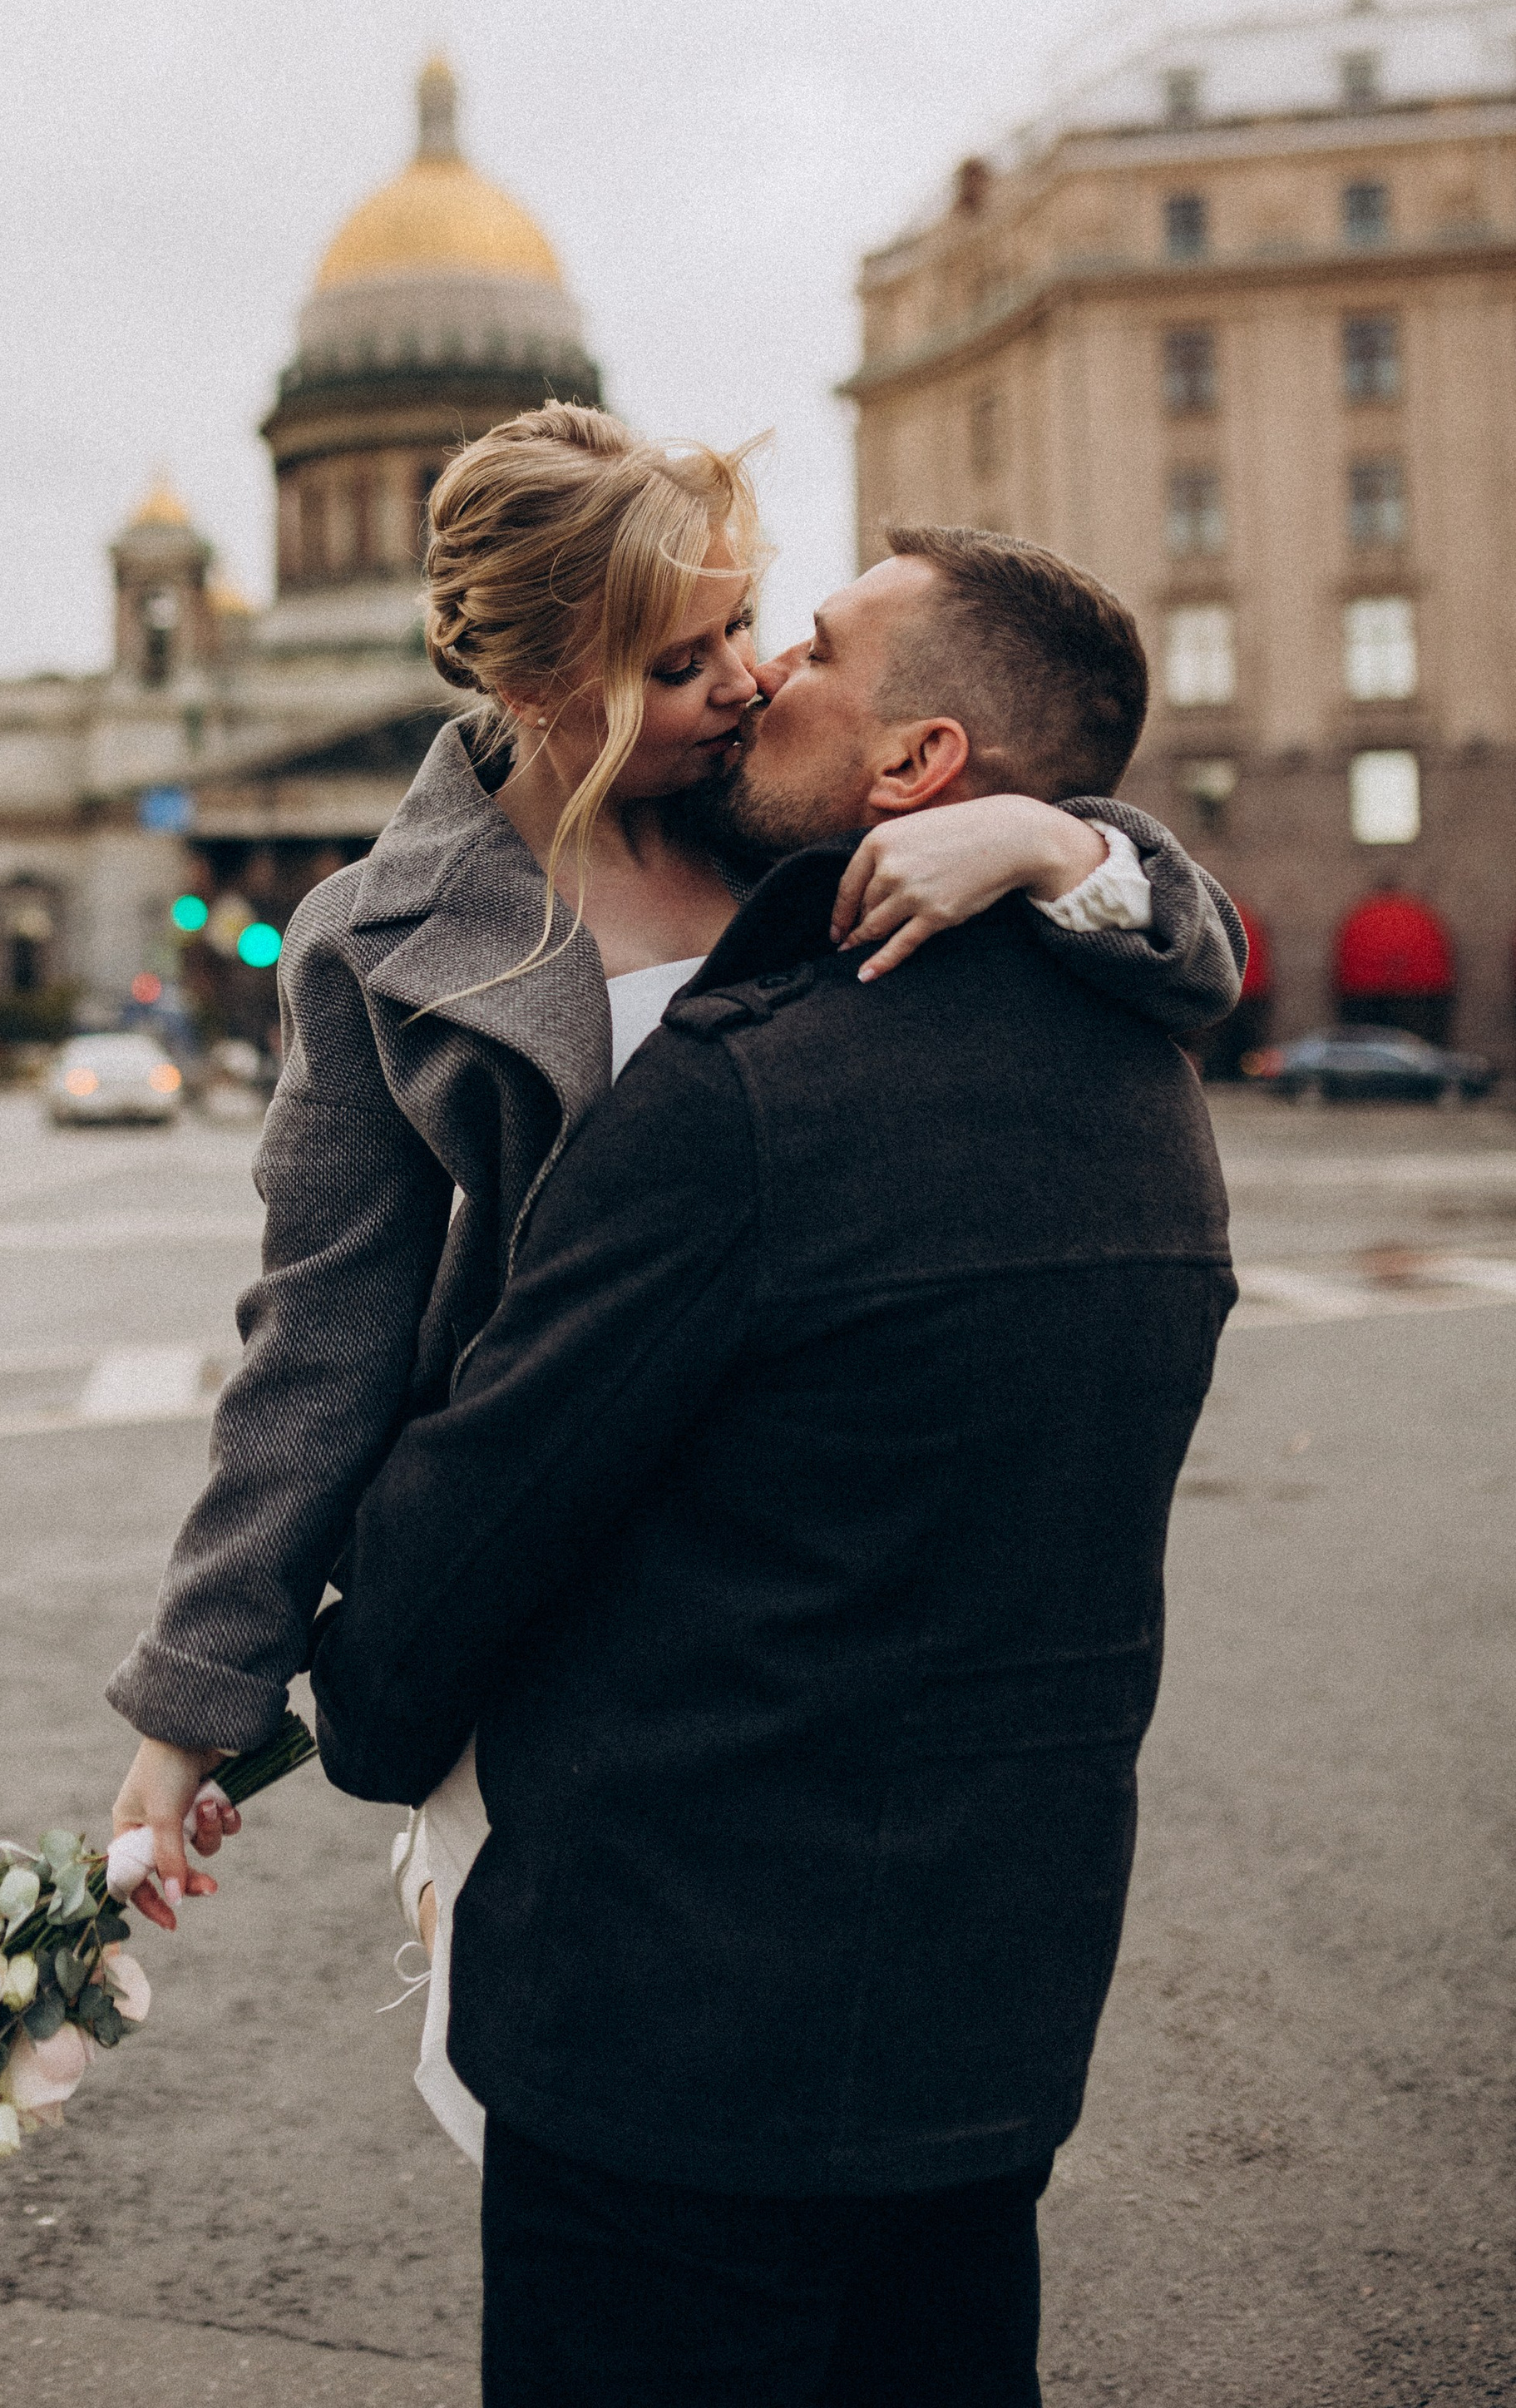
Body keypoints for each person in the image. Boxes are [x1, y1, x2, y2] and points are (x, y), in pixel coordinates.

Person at [104, 412, 1242, 2156]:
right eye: (681, 655)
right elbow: (318, 1333)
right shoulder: (368, 937)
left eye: (746, 627)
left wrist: (1040, 847)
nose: (745, 679)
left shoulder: (789, 818)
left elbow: (1186, 941)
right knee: (600, 2093)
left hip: (823, 1556)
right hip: (563, 1565)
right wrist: (191, 1711)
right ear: (544, 671)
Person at [308, 522, 1237, 2405]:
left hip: (672, 2038)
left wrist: (351, 1703)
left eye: (806, 648)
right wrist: (1080, 843)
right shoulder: (1151, 1095)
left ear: (916, 772)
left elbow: (464, 1534)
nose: (753, 681)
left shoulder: (736, 1095)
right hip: (984, 2028)